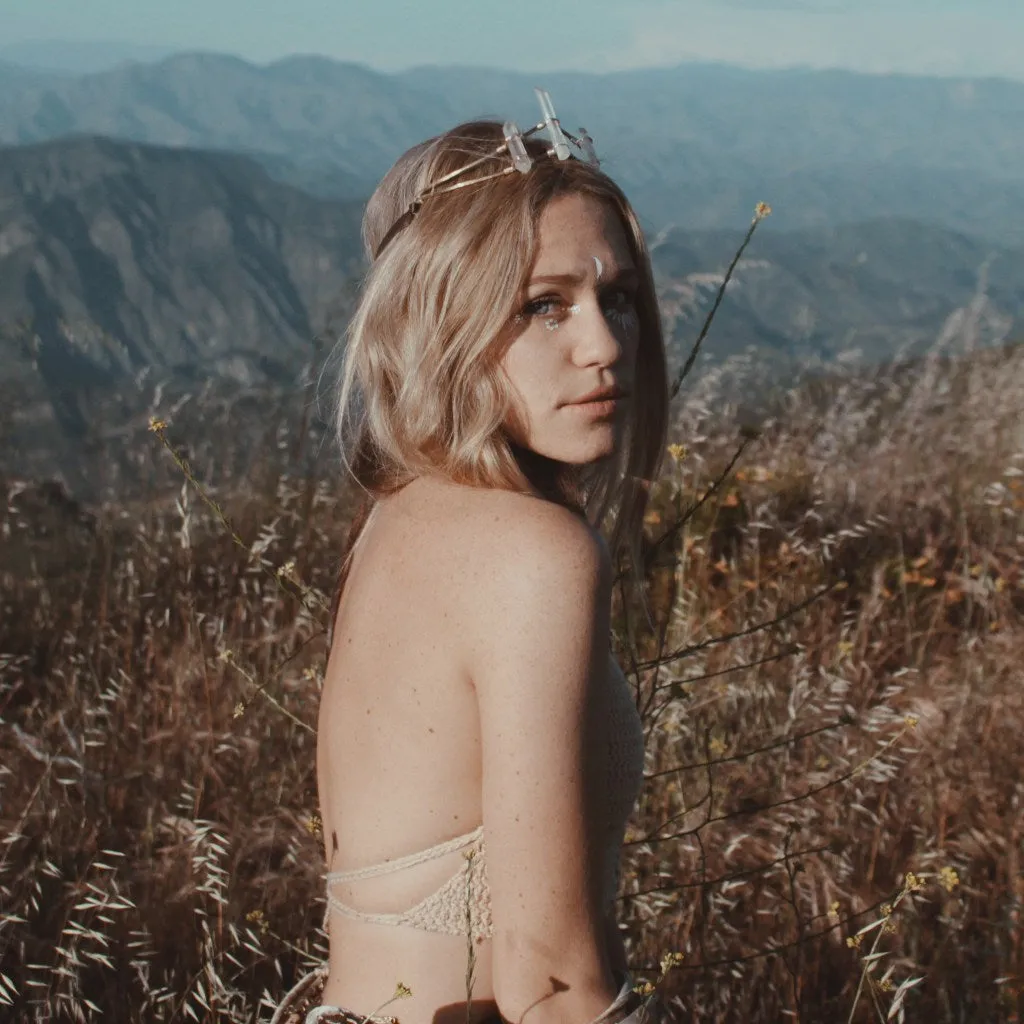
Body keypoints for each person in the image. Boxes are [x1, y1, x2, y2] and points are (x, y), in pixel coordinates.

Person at [271, 90, 669, 1024]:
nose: (604, 345)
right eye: (543, 307)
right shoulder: (535, 553)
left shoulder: (400, 515)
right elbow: (551, 976)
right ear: (444, 325)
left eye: (617, 299)